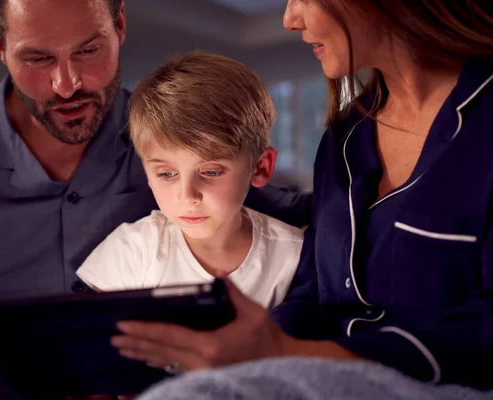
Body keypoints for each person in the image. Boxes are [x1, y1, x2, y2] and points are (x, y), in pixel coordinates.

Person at [0, 0, 312, 399]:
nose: (68, 84)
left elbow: (305, 215)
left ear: (120, 25)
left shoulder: (170, 136)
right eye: (38, 59)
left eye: (88, 50)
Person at [109, 0, 493, 397]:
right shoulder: (344, 137)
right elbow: (314, 294)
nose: (290, 19)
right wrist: (249, 346)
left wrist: (283, 352)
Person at [76, 52, 303, 309]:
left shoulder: (293, 254)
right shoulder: (133, 249)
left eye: (211, 172)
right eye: (166, 174)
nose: (187, 196)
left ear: (260, 168)